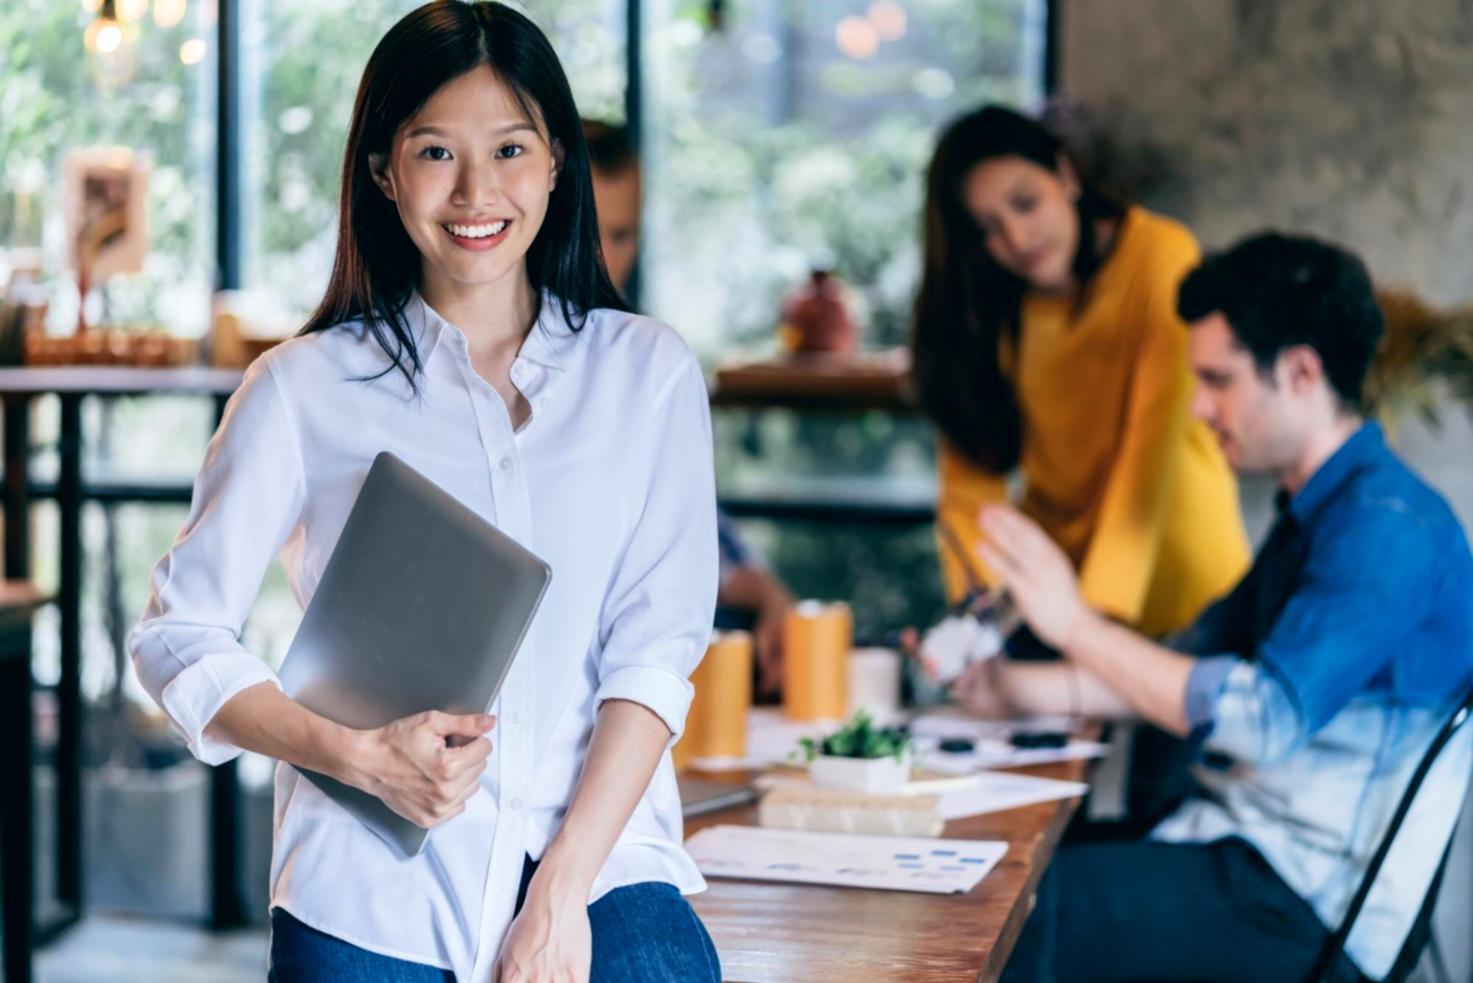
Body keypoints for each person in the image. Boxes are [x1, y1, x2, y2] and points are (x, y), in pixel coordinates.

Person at [128, 4, 722, 981]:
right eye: (437, 150)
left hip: (604, 858)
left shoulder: (646, 374)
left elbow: (654, 653)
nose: (477, 191)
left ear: (557, 163)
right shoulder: (302, 387)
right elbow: (176, 634)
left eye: (512, 148)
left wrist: (559, 893)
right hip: (372, 873)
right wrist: (354, 755)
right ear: (382, 170)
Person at [972, 232, 1473, 982]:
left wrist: (1071, 622)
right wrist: (1009, 689)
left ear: (1300, 372)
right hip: (1240, 850)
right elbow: (1183, 671)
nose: (1199, 407)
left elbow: (1261, 718)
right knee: (1004, 869)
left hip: (1303, 902)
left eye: (1217, 379)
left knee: (1016, 911)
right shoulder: (1318, 508)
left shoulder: (1387, 526)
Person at [912, 105, 1249, 643]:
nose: (1018, 238)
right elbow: (970, 492)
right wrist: (978, 625)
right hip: (1059, 611)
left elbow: (1147, 457)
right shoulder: (988, 305)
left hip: (1184, 601)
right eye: (988, 228)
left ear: (1065, 176)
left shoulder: (1160, 255)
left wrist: (1092, 630)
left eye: (1026, 203)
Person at [582, 118, 795, 694]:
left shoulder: (646, 362)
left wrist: (764, 589)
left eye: (621, 235)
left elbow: (694, 523)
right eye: (582, 229)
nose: (601, 256)